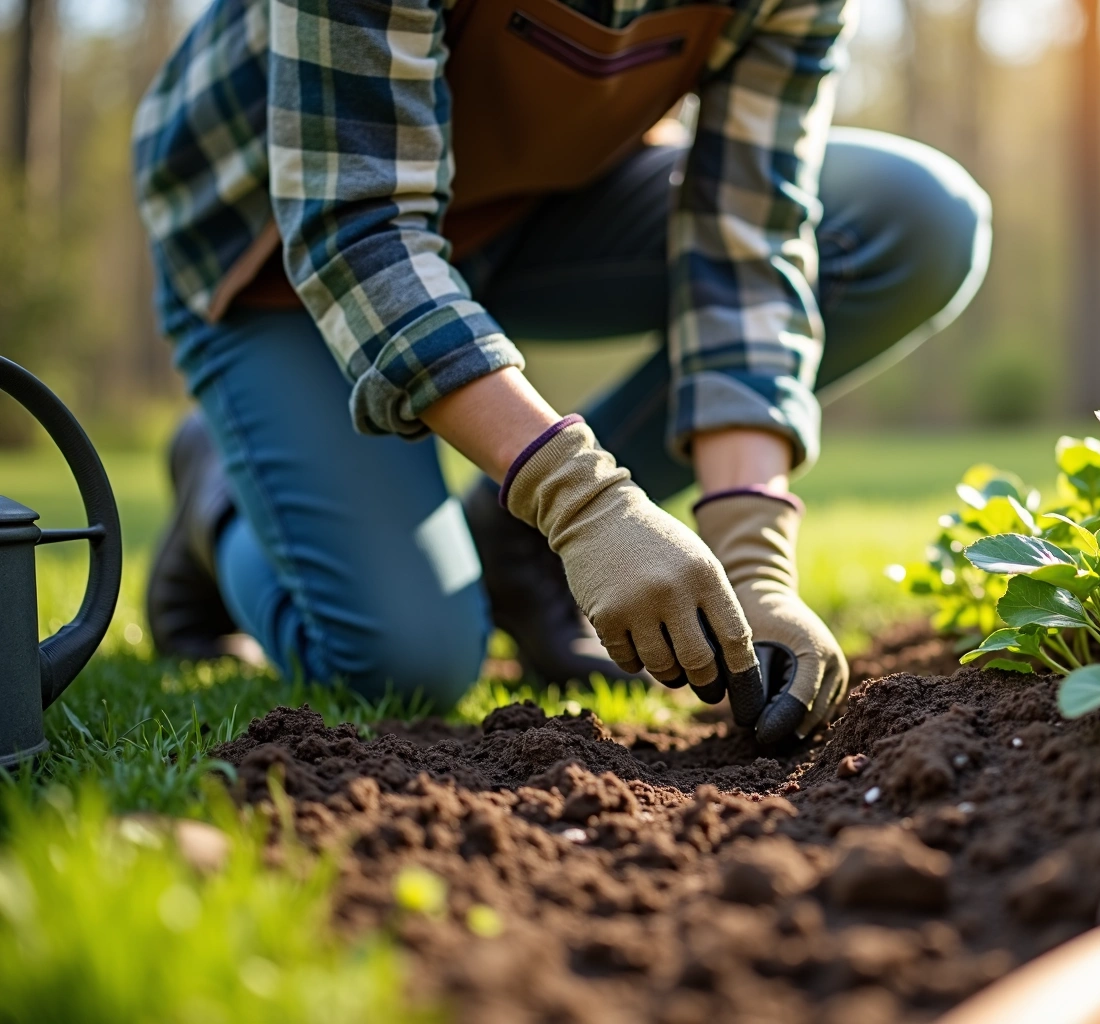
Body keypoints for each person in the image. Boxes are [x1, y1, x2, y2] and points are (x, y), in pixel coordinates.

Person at [132, 0, 991, 744]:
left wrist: (753, 556)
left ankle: (515, 541)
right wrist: (579, 502)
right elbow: (358, 228)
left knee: (912, 220)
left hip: (540, 205)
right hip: (280, 252)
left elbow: (747, 249)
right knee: (407, 663)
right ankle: (224, 489)